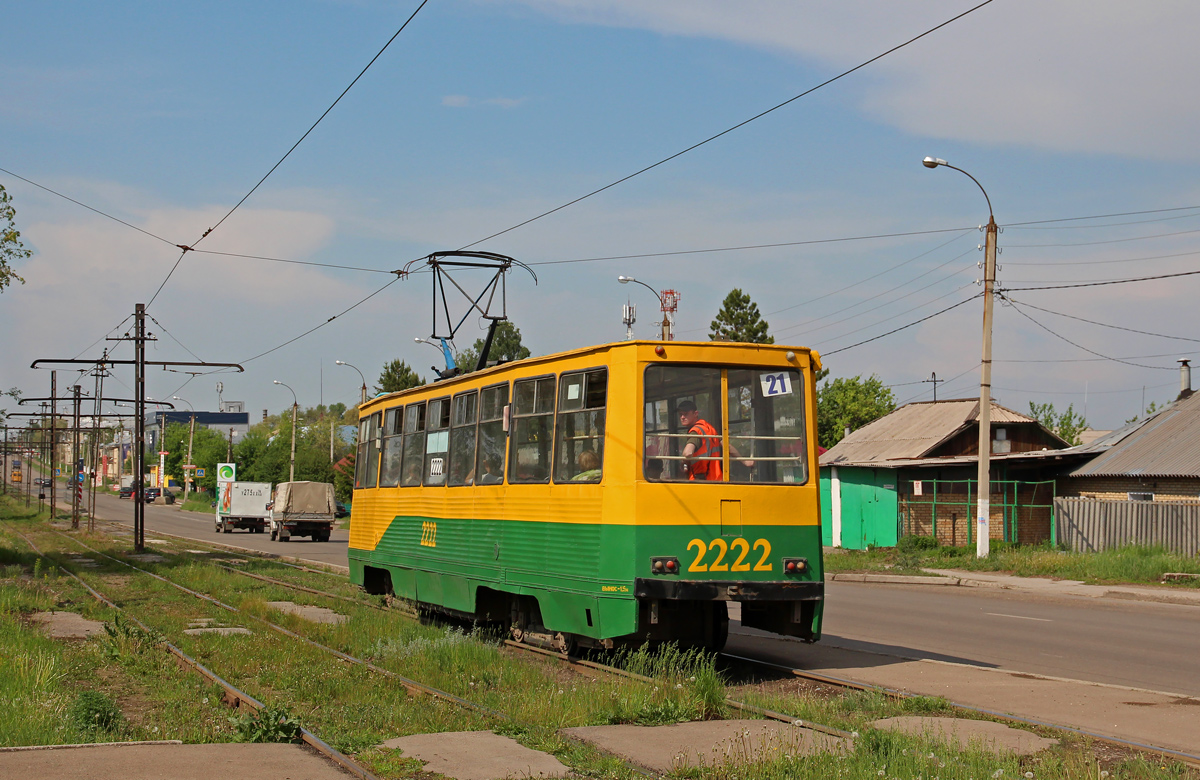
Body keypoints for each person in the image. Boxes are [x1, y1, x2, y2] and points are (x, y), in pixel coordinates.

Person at [677, 400, 753, 481]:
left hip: (700, 480)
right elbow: (727, 446)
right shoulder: (709, 429)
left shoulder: (695, 431)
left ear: (696, 413)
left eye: (686, 414)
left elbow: (688, 453)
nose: (682, 417)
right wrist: (745, 461)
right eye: (681, 414)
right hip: (716, 479)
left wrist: (683, 462)